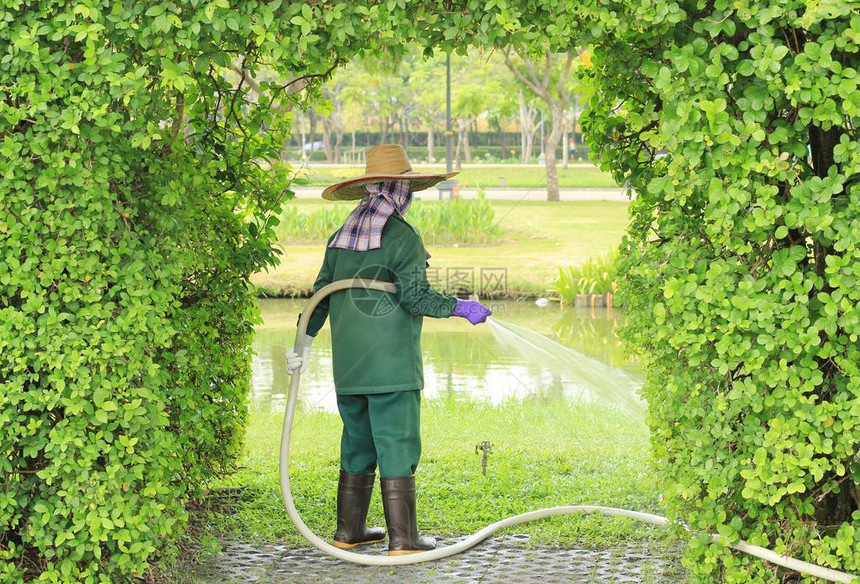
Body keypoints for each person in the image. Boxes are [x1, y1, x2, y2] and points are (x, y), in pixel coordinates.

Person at [286, 144, 492, 555]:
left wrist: (302, 345)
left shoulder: (340, 238)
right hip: (393, 368)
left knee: (357, 441)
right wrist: (459, 307)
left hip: (349, 369)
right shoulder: (402, 237)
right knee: (397, 442)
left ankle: (350, 532)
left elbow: (320, 297)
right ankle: (404, 539)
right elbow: (416, 299)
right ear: (403, 190)